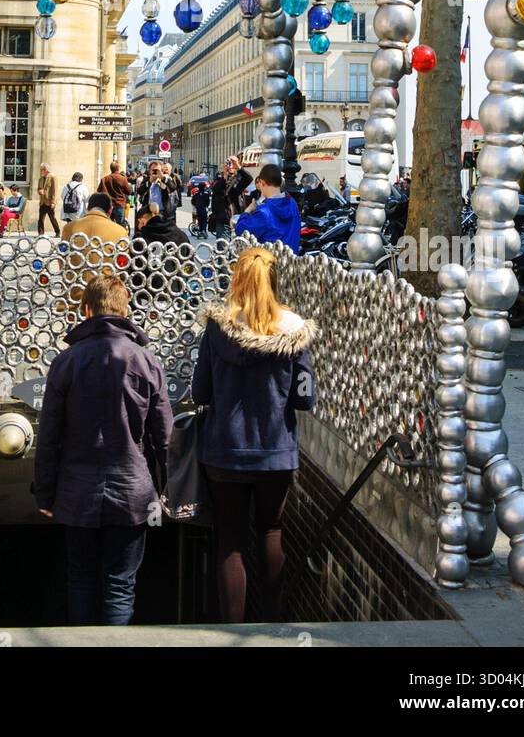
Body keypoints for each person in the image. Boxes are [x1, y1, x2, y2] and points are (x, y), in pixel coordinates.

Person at [33, 273, 173, 626]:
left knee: (80, 579)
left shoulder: (66, 362)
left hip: (76, 488)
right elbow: (164, 436)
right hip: (133, 489)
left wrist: (45, 494)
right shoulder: (146, 361)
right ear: (125, 311)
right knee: (121, 584)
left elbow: (49, 434)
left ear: (87, 309)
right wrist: (170, 489)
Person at [192, 246, 316, 624]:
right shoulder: (295, 332)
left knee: (230, 539)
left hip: (224, 452)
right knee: (271, 530)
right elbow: (305, 398)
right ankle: (274, 622)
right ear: (275, 281)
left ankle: (234, 629)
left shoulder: (217, 328)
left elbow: (201, 392)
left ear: (237, 280)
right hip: (275, 452)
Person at [235, 164, 301, 254]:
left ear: (262, 182)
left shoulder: (264, 211)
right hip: (291, 262)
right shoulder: (292, 203)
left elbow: (241, 231)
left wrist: (248, 210)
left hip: (270, 264)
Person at [98, 161, 132, 228]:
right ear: (118, 168)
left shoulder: (104, 179)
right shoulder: (122, 179)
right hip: (119, 204)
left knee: (107, 225)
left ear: (111, 168)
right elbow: (129, 191)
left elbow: (99, 191)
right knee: (120, 226)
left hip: (108, 205)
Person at [208, 165, 231, 239]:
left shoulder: (235, 183)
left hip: (233, 219)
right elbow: (215, 188)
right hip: (223, 218)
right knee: (222, 245)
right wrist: (224, 178)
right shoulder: (219, 185)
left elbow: (248, 178)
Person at [37, 163, 60, 236]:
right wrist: (39, 191)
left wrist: (53, 202)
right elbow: (39, 188)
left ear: (46, 170)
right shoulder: (40, 179)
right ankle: (40, 233)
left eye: (41, 170)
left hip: (49, 202)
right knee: (40, 219)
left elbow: (55, 191)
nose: (40, 172)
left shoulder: (53, 177)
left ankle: (57, 232)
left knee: (52, 218)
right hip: (42, 202)